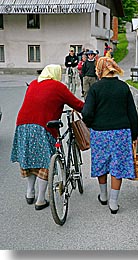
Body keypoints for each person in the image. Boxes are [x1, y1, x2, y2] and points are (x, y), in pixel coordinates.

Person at [11, 64, 84, 211]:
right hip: (42, 126)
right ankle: (40, 199)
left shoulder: (33, 83)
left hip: (22, 125)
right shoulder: (58, 87)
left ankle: (30, 193)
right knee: (45, 162)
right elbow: (77, 104)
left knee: (30, 159)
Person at [82, 57, 138, 214]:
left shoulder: (95, 88)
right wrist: (134, 135)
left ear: (99, 70)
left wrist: (90, 124)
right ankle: (113, 202)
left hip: (100, 133)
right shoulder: (123, 87)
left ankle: (103, 195)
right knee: (117, 165)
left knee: (101, 163)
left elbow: (86, 113)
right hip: (121, 133)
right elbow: (132, 114)